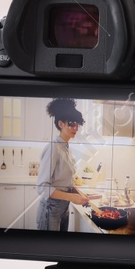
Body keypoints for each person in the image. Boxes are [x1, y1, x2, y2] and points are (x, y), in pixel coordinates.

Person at [35, 97, 93, 231]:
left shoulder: (65, 148)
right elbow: (42, 187)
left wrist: (77, 193)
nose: (75, 128)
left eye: (77, 124)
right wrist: (72, 197)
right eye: (72, 124)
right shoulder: (53, 148)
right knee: (49, 250)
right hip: (51, 209)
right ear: (61, 124)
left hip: (63, 207)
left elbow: (65, 181)